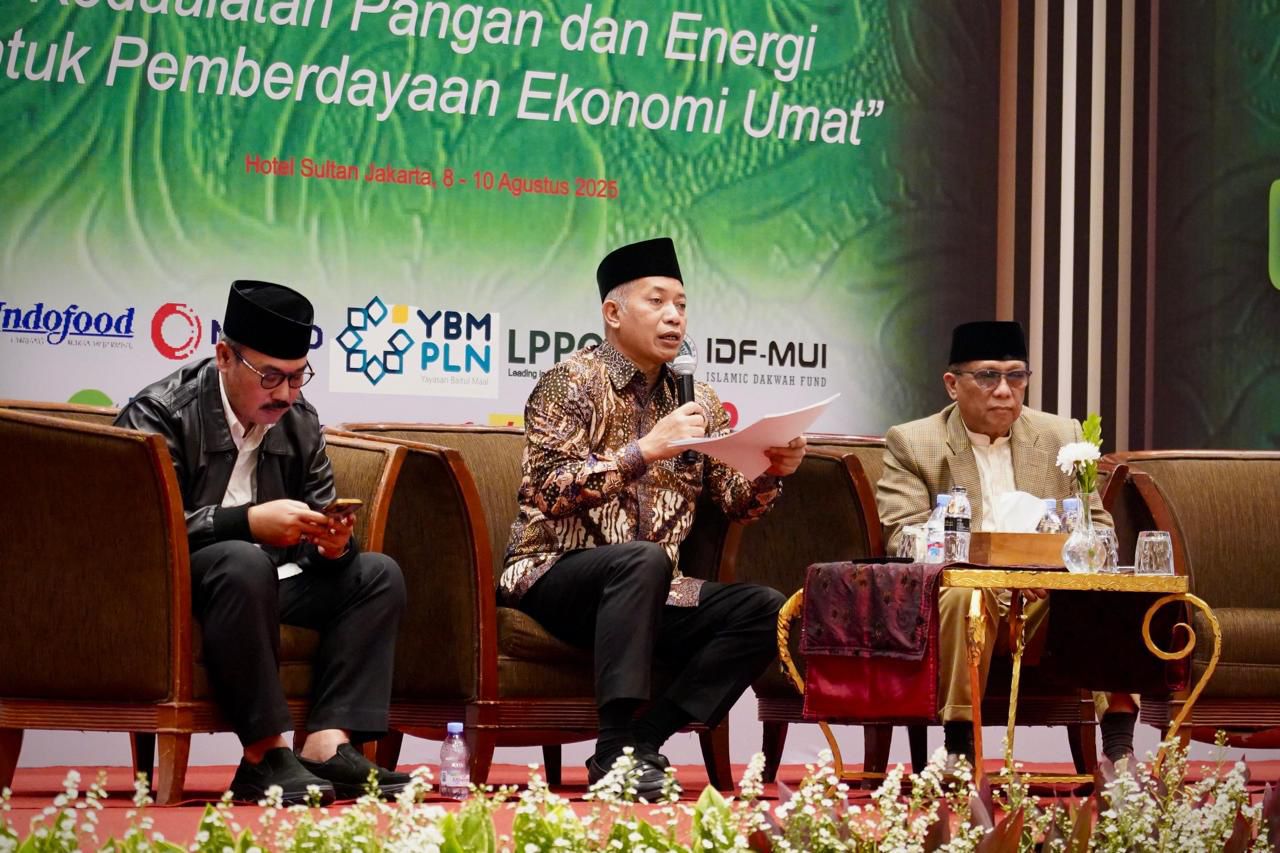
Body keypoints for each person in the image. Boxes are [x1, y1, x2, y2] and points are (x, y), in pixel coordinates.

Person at [501, 237, 805, 799]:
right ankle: (613, 745)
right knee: (639, 562)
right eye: (657, 301)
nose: (674, 317)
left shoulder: (698, 400)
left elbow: (735, 502)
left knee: (766, 609)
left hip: (656, 587)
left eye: (682, 305)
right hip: (554, 574)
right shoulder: (570, 381)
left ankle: (644, 739)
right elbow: (548, 490)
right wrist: (645, 450)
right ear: (613, 313)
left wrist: (771, 470)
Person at [115, 280, 411, 804]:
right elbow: (141, 530)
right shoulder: (160, 413)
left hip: (267, 578)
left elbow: (318, 519)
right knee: (242, 560)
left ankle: (326, 746)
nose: (285, 394)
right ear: (224, 356)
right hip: (177, 584)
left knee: (376, 573)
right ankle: (263, 755)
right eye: (270, 376)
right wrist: (246, 523)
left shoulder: (299, 421)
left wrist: (331, 544)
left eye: (297, 377)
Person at [876, 320, 1137, 766]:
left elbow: (1099, 530)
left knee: (1108, 591)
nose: (1004, 391)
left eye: (1016, 376)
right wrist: (993, 569)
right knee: (966, 596)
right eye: (988, 376)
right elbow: (903, 538)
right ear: (952, 384)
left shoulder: (1062, 436)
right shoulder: (914, 442)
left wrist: (1053, 568)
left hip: (1046, 601)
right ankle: (960, 750)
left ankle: (1120, 755)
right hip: (964, 597)